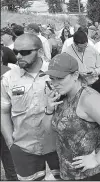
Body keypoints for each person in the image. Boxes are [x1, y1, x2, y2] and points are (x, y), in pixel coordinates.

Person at [41, 53, 100, 181]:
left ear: (75, 75)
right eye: (52, 78)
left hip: (89, 174)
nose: (55, 83)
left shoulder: (88, 98)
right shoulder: (62, 96)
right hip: (68, 172)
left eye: (60, 78)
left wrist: (97, 159)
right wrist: (49, 110)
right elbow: (48, 131)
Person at [1, 34, 60, 180]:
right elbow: (3, 111)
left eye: (25, 52)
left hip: (58, 146)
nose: (19, 56)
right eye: (16, 52)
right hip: (24, 148)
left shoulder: (57, 73)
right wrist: (10, 141)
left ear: (40, 51)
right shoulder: (9, 78)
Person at [0, 49, 18, 181]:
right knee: (9, 153)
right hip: (7, 119)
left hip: (6, 118)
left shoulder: (9, 73)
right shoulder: (11, 73)